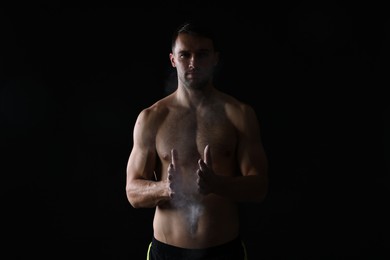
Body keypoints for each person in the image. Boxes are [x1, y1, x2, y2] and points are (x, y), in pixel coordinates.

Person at [125, 20, 269, 260]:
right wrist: (167, 189)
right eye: (185, 55)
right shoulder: (151, 118)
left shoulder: (239, 115)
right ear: (173, 60)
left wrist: (217, 185)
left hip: (223, 251)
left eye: (202, 54)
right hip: (167, 252)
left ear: (215, 58)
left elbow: (260, 187)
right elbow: (132, 192)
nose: (193, 63)